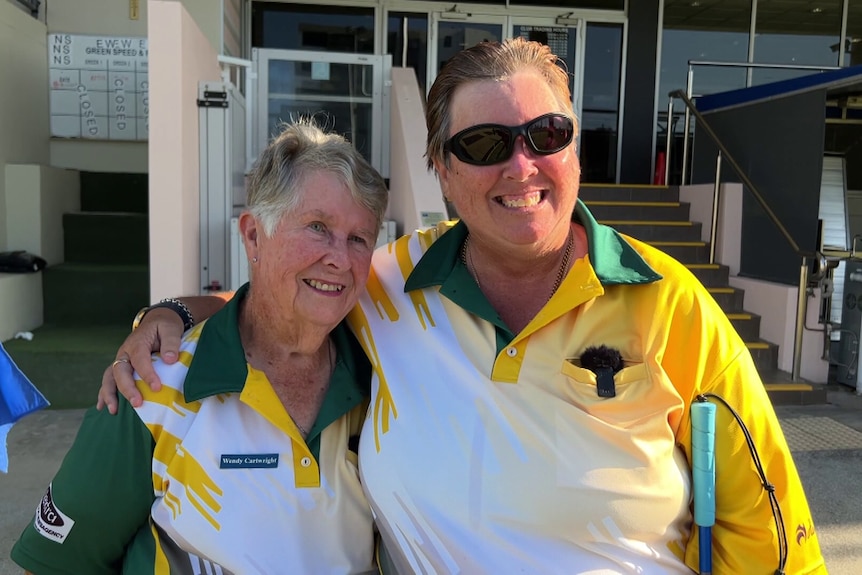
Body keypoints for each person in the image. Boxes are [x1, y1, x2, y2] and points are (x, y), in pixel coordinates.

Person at [100, 39, 826, 574]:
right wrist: (169, 312)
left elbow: (770, 533)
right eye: (483, 143)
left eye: (548, 135)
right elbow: (284, 298)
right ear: (444, 172)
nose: (521, 165)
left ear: (576, 152)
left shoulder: (672, 306)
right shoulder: (391, 284)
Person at [11, 119, 388, 574]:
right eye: (317, 227)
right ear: (253, 236)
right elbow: (55, 565)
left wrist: (172, 308)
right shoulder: (153, 386)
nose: (340, 259)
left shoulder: (383, 374)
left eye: (359, 239)